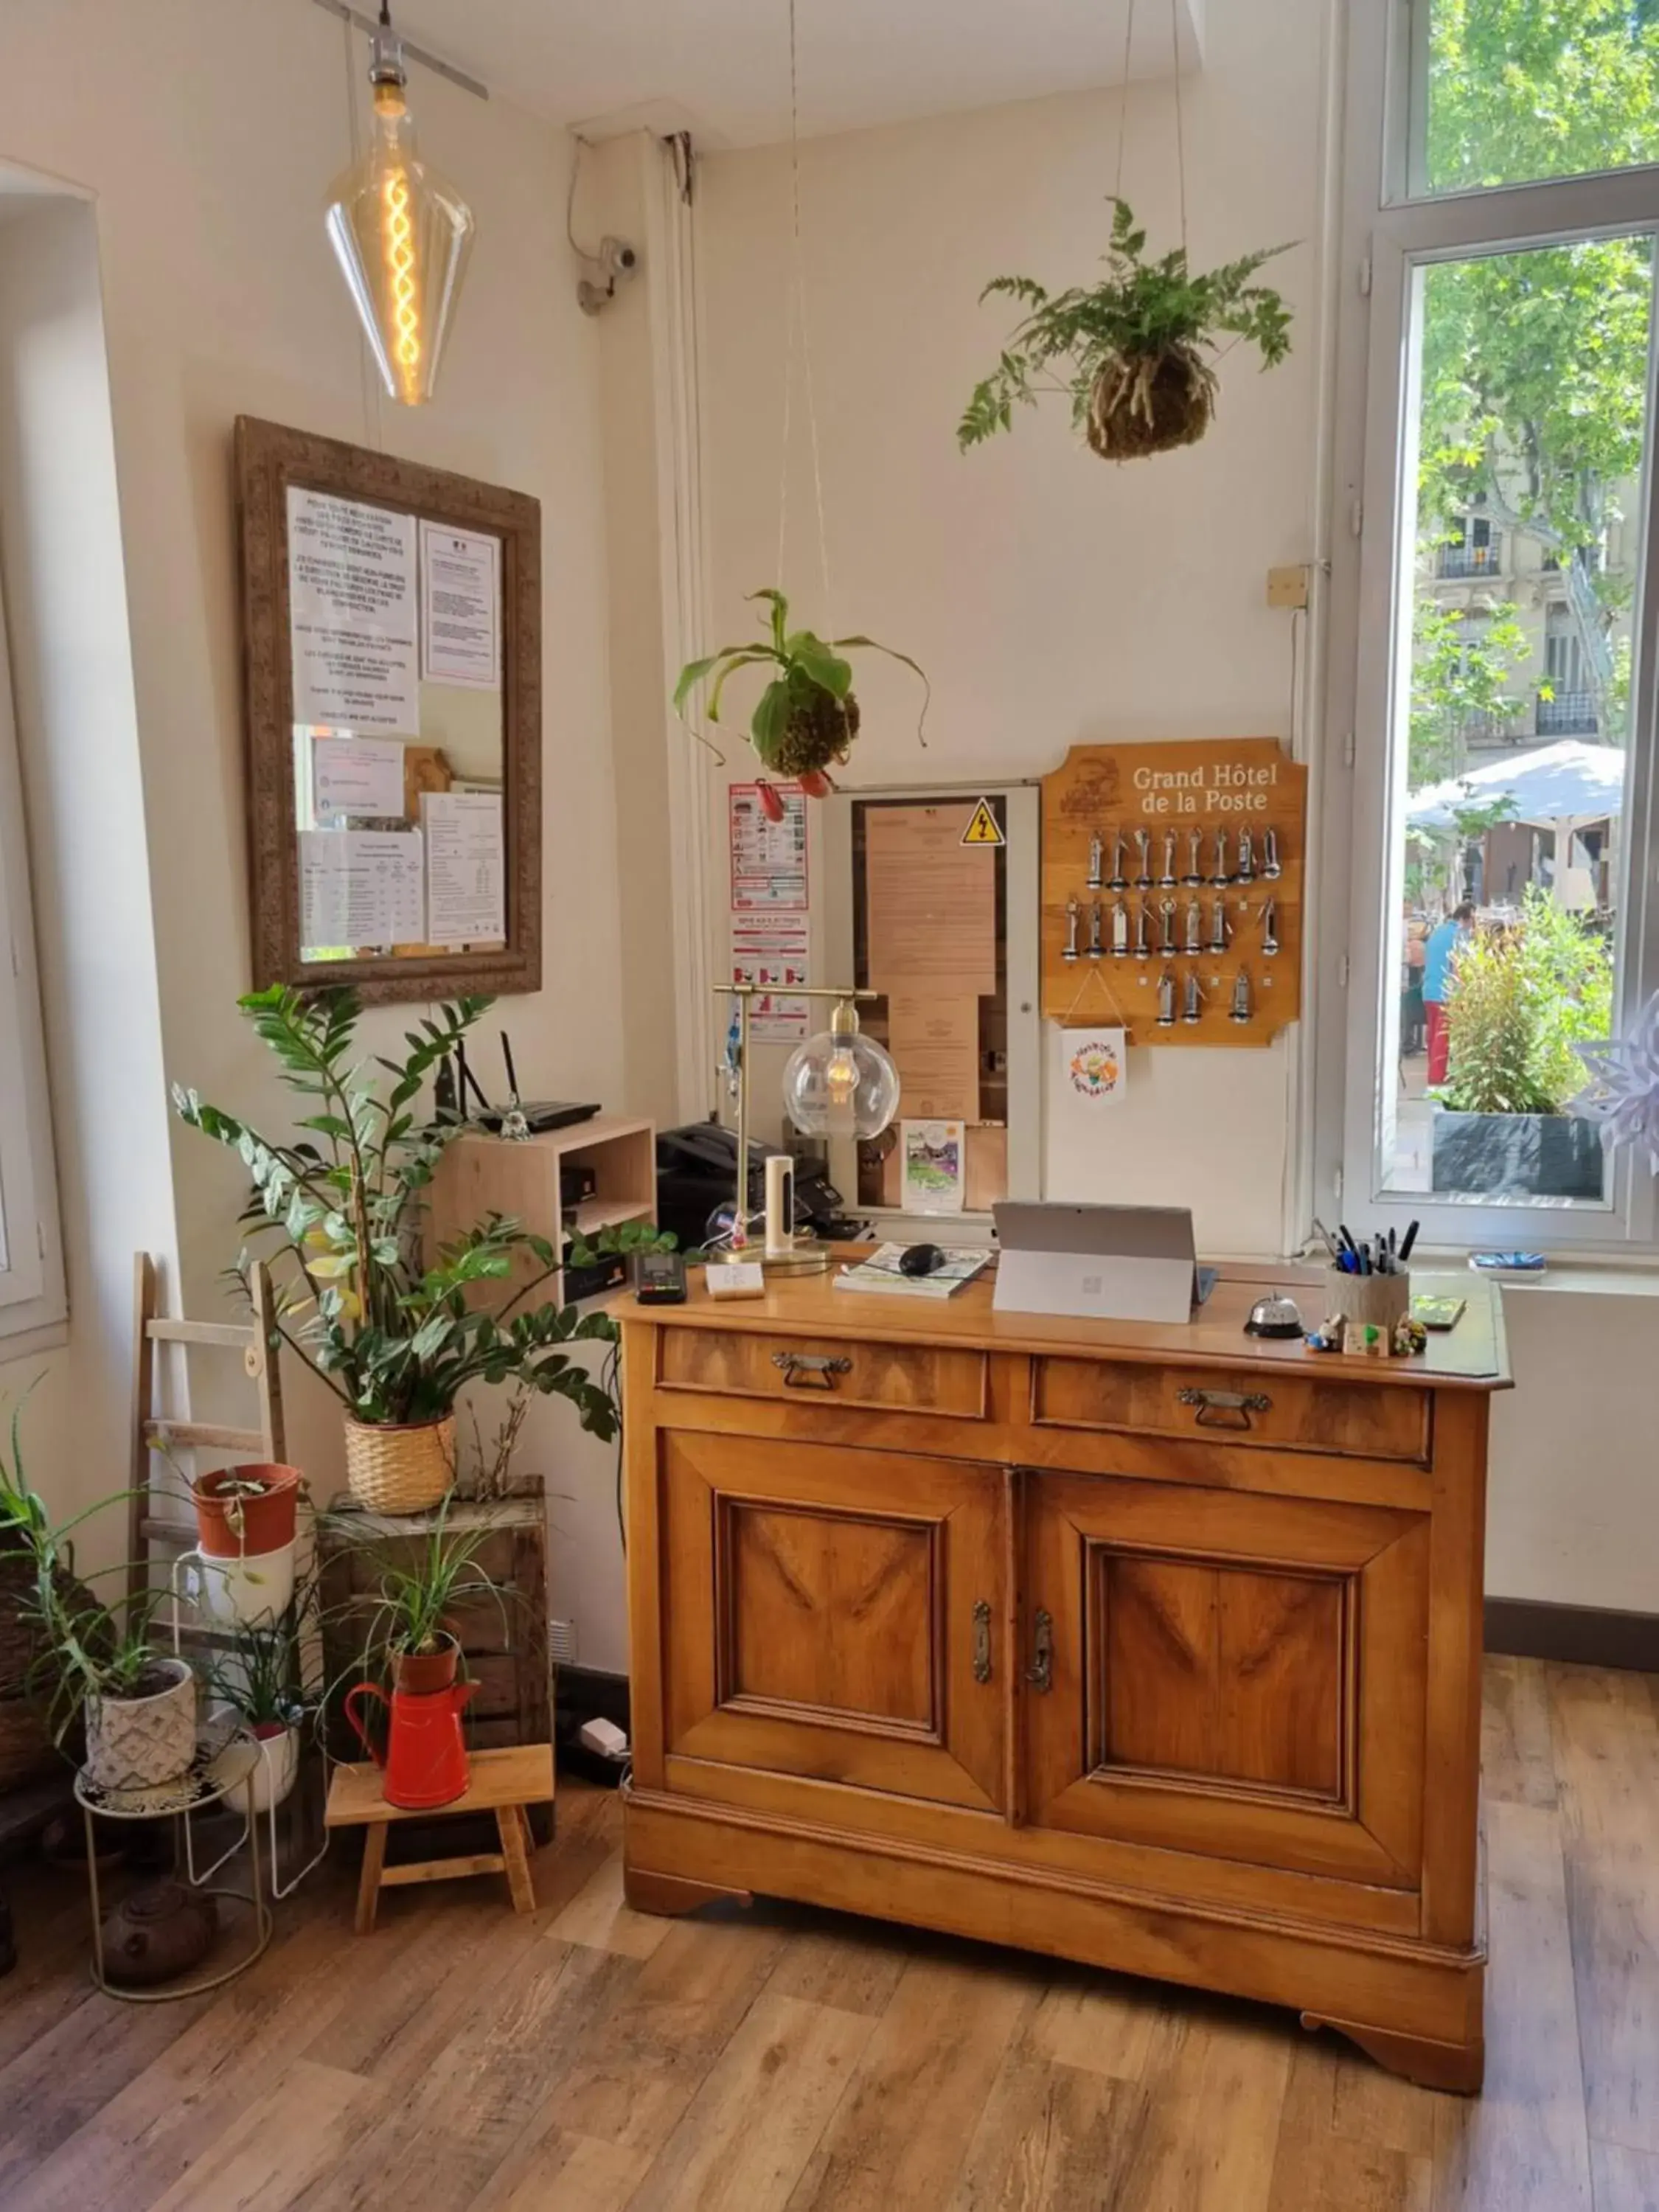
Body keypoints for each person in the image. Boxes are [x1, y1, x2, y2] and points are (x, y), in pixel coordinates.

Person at [1422, 901, 1475, 1087]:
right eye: (1471, 922)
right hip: (1445, 993)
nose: (1472, 927)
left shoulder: (1436, 933)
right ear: (1464, 919)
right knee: (1442, 1038)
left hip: (1429, 991)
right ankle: (1437, 1076)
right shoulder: (1458, 936)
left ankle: (1433, 1071)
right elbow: (1460, 967)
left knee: (1433, 1033)